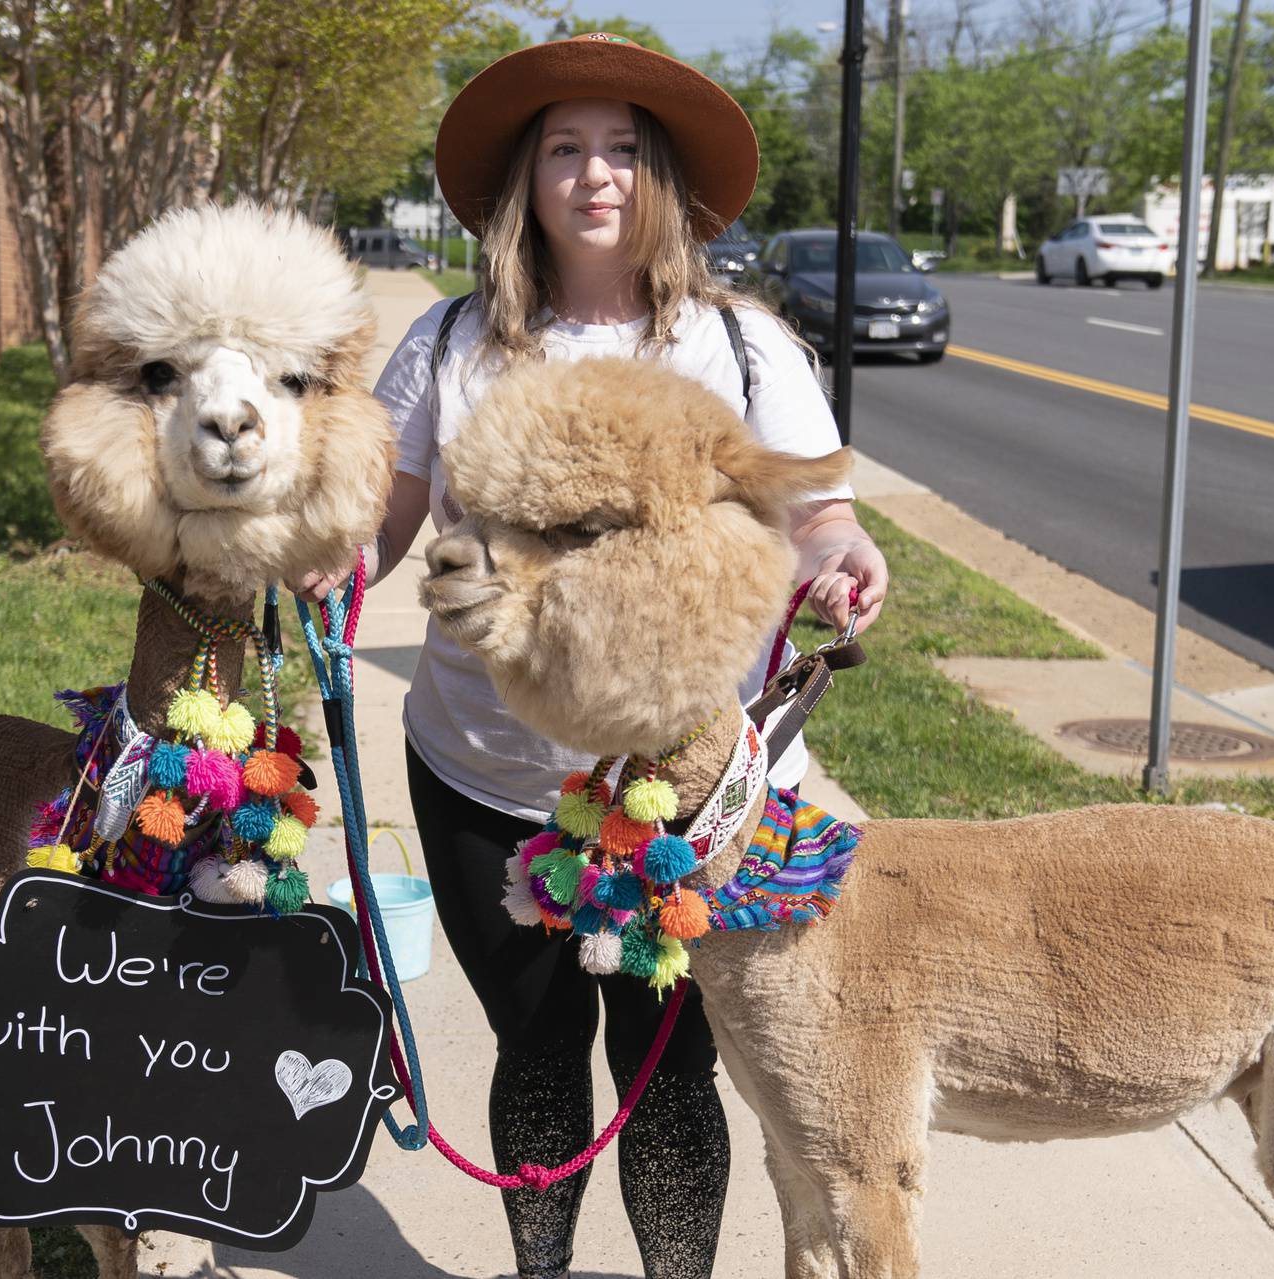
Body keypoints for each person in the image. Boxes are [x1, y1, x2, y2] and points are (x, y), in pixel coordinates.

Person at [301, 33, 888, 1279]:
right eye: (566, 148)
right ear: (529, 181)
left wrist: (840, 557)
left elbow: (814, 505)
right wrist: (339, 565)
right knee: (536, 1037)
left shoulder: (739, 349)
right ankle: (544, 1269)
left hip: (689, 786)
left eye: (623, 148)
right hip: (484, 767)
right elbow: (390, 515)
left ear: (660, 178)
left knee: (670, 1057)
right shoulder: (453, 345)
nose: (596, 174)